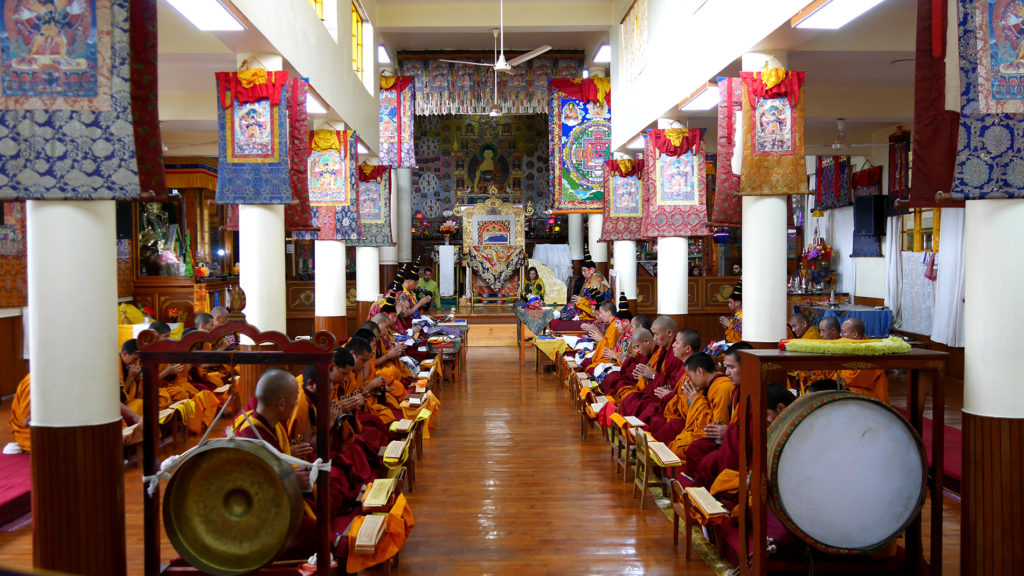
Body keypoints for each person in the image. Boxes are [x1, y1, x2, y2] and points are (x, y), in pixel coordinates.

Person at [667, 353, 735, 462]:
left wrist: (697, 401)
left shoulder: (722, 388)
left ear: (700, 371)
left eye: (690, 376)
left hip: (716, 441)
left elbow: (715, 428)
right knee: (676, 443)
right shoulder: (708, 386)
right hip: (703, 434)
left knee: (680, 448)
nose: (690, 381)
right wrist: (693, 401)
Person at [645, 329, 703, 441]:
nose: (673, 346)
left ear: (688, 349)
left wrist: (671, 396)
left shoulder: (695, 371)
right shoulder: (684, 366)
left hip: (686, 420)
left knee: (657, 419)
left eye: (676, 343)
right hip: (674, 410)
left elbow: (690, 405)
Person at [838, 318, 890, 403]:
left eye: (843, 332)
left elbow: (850, 379)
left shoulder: (867, 352)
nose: (840, 335)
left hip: (871, 396)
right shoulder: (852, 347)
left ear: (855, 334)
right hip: (855, 389)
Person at [579, 301, 619, 372]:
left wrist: (600, 339)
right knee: (586, 363)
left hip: (609, 359)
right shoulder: (609, 324)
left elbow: (610, 349)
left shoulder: (615, 326)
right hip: (602, 354)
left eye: (601, 313)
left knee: (589, 369)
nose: (600, 316)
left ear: (609, 313)